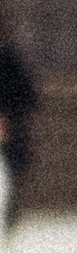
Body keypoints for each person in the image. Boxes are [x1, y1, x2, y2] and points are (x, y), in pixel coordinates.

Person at [0, 29, 37, 230]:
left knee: (10, 172)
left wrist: (9, 118)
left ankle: (10, 211)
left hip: (12, 129)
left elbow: (28, 98)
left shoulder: (10, 62)